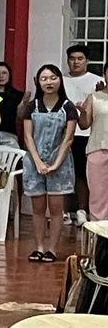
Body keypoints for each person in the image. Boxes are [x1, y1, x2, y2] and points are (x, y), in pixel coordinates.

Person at [21, 63, 79, 263]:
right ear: (38, 82)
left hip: (59, 164)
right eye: (44, 79)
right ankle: (38, 247)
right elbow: (27, 137)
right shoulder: (32, 106)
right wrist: (37, 162)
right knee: (37, 209)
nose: (49, 82)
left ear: (60, 81)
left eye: (53, 78)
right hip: (34, 162)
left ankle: (52, 249)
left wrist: (55, 164)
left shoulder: (68, 107)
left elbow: (68, 138)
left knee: (56, 210)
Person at [63, 45, 103, 225]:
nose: (76, 62)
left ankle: (81, 210)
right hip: (63, 134)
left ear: (87, 61)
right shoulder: (60, 81)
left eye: (80, 58)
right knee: (62, 172)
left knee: (82, 174)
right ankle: (62, 211)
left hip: (85, 134)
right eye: (72, 58)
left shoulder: (97, 81)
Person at [78, 72, 108, 221]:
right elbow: (84, 125)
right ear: (105, 74)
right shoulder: (94, 97)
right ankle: (99, 238)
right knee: (98, 196)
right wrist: (83, 113)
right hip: (98, 149)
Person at [0, 61, 25, 149]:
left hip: (10, 137)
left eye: (4, 73)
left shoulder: (18, 95)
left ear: (9, 76)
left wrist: (24, 103)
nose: (1, 76)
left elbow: (20, 117)